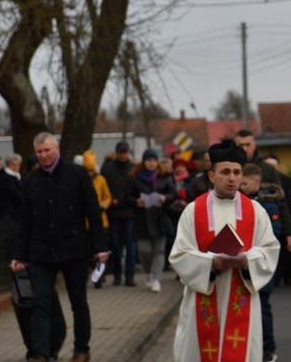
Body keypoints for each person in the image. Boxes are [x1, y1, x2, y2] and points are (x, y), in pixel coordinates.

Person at [169, 141, 280, 362]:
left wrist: (246, 260)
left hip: (242, 297)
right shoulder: (193, 211)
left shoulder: (255, 211)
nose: (232, 178)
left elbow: (270, 250)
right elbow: (180, 255)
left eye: (237, 172)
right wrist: (211, 264)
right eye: (225, 172)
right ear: (211, 176)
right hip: (204, 297)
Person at [10, 132, 109, 362]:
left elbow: (93, 213)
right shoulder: (30, 181)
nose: (43, 155)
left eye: (47, 150)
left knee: (78, 302)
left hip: (74, 249)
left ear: (57, 149)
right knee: (41, 304)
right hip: (42, 253)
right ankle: (41, 353)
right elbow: (25, 221)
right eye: (39, 152)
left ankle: (82, 349)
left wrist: (100, 246)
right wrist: (19, 255)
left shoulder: (77, 175)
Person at [240, 163, 291, 361]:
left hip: (260, 263)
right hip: (241, 264)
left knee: (262, 306)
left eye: (244, 183)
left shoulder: (269, 203)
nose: (240, 186)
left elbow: (274, 233)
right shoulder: (238, 203)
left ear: (256, 181)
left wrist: (251, 246)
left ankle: (268, 347)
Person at [129, 148, 176, 293]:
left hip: (159, 218)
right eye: (149, 160)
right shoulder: (135, 178)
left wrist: (165, 198)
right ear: (144, 162)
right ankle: (148, 273)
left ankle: (156, 279)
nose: (152, 163)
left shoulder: (163, 176)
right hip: (142, 219)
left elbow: (172, 193)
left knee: (159, 250)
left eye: (154, 160)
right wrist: (136, 201)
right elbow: (127, 196)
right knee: (144, 250)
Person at [100, 141, 136, 286]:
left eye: (125, 152)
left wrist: (121, 200)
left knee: (131, 246)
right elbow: (103, 189)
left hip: (129, 213)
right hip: (113, 214)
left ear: (128, 153)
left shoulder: (133, 169)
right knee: (115, 246)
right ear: (116, 152)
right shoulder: (107, 169)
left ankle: (129, 276)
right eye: (120, 152)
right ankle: (116, 275)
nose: (122, 155)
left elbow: (134, 190)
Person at [82, 150, 112, 289]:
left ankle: (99, 276)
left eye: (91, 170)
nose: (89, 173)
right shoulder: (80, 180)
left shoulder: (101, 180)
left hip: (100, 221)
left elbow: (107, 196)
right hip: (84, 223)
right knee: (87, 252)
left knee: (100, 250)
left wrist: (103, 205)